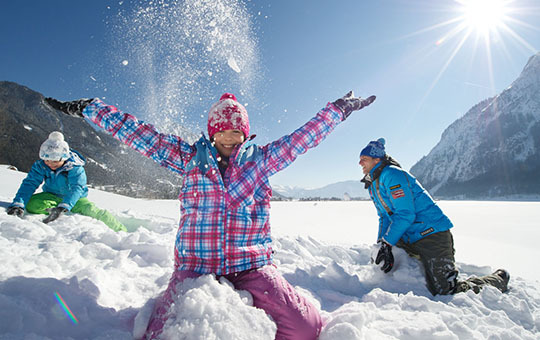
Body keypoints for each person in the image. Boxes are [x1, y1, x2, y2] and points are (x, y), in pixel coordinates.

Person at [45, 91, 376, 340]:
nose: (230, 140)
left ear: (245, 134)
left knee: (306, 328)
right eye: (223, 133)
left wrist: (338, 110)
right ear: (212, 133)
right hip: (196, 268)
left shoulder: (261, 161)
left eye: (236, 133)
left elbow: (304, 138)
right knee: (160, 334)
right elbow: (139, 135)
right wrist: (90, 108)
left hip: (251, 267)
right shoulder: (188, 158)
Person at [359, 137, 510, 296]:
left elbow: (405, 214)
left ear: (377, 159)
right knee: (385, 263)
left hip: (431, 234)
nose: (360, 163)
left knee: (445, 290)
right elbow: (384, 217)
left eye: (364, 159)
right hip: (409, 236)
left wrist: (388, 243)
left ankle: (497, 280)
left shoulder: (392, 175)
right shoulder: (373, 184)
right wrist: (381, 245)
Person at [6, 131, 127, 232]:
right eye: (47, 160)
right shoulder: (41, 165)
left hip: (76, 199)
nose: (50, 164)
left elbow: (77, 188)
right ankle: (54, 209)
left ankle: (121, 230)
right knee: (32, 204)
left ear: (63, 158)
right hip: (51, 196)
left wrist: (64, 206)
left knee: (92, 210)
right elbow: (30, 183)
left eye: (54, 161)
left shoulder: (75, 168)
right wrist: (18, 204)